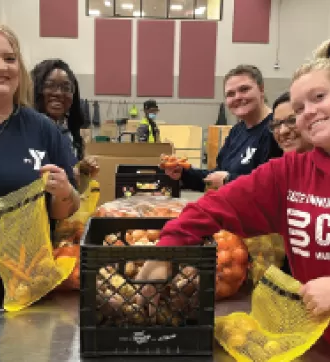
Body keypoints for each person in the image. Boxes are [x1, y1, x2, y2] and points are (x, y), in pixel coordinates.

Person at [137, 57, 330, 342]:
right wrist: (167, 248)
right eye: (299, 108)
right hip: (315, 340)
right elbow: (218, 204)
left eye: (319, 97)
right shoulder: (290, 173)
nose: (309, 113)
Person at [0, 20, 80, 345]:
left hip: (28, 292)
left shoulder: (43, 129)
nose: (1, 67)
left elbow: (66, 209)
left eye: (10, 58)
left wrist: (63, 191)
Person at [165, 65, 283, 191]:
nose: (237, 97)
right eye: (230, 94)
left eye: (244, 89)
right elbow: (217, 176)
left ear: (261, 89)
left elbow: (272, 184)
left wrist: (229, 180)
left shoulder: (277, 130)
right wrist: (184, 173)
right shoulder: (236, 131)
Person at [31, 58, 84, 161]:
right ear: (36, 89)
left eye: (66, 88)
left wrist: (83, 172)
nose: (58, 93)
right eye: (50, 85)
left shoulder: (70, 135)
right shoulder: (26, 131)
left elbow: (71, 172)